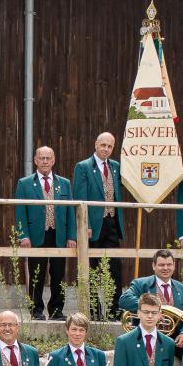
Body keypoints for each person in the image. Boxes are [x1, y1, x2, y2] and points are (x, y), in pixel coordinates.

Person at [15, 145, 75, 321]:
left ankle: (57, 310)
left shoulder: (64, 183)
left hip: (58, 236)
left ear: (54, 160)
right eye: (42, 158)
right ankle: (36, 310)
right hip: (35, 236)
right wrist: (22, 235)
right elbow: (20, 211)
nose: (45, 161)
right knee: (36, 274)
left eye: (48, 158)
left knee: (58, 275)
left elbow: (70, 211)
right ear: (35, 160)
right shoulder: (24, 183)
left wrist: (71, 236)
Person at [72, 132, 126, 314]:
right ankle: (93, 310)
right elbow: (80, 198)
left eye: (110, 146)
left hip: (112, 224)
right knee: (92, 269)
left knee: (114, 269)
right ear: (96, 144)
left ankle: (114, 309)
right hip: (92, 226)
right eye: (103, 145)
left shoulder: (116, 167)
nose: (106, 149)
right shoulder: (83, 167)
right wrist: (84, 225)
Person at [116, 248, 183, 322]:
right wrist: (150, 307)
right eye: (161, 265)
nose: (165, 268)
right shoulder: (140, 284)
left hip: (176, 334)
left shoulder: (182, 289)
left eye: (169, 265)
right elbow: (124, 300)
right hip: (146, 333)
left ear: (174, 266)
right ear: (154, 266)